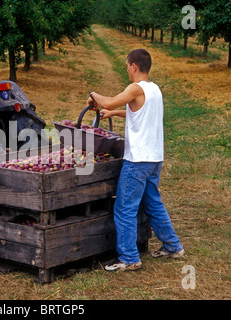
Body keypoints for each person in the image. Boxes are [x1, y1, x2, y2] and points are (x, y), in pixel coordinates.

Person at [87, 48, 184, 272]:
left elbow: (109, 102)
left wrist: (94, 94)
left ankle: (129, 258)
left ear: (134, 66)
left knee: (124, 207)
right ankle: (173, 246)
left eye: (127, 67)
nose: (127, 71)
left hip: (138, 160)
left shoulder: (135, 87)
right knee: (153, 203)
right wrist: (113, 114)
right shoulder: (154, 89)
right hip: (154, 159)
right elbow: (137, 112)